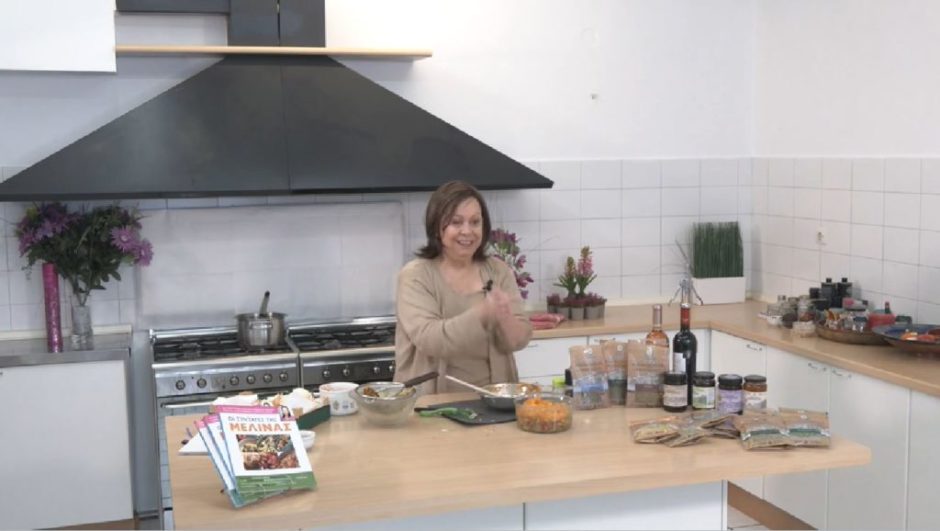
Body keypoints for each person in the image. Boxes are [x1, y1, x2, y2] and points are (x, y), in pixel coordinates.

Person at [394, 180, 533, 394]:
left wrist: (506, 318)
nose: (467, 231)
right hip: (432, 405)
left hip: (494, 401)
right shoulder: (416, 275)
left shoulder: (498, 271)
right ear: (437, 227)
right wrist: (482, 314)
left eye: (475, 222)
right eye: (456, 222)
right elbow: (430, 340)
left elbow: (518, 340)